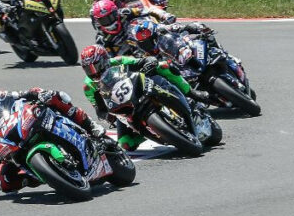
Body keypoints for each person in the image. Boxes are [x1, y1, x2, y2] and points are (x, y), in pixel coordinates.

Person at [0, 84, 107, 193]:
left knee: (54, 97)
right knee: (3, 183)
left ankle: (90, 126)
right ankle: (44, 176)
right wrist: (0, 156)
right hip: (12, 145)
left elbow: (23, 95)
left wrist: (38, 94)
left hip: (26, 124)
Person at [80, 44, 208, 150]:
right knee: (125, 143)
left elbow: (140, 61)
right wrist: (106, 115)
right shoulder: (88, 86)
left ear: (104, 60)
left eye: (95, 67)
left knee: (163, 66)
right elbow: (99, 108)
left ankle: (190, 92)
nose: (93, 72)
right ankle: (157, 132)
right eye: (88, 69)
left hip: (139, 88)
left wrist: (149, 61)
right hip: (123, 107)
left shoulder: (118, 61)